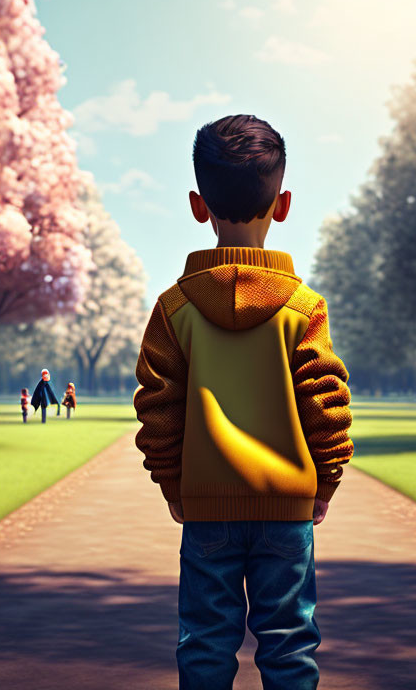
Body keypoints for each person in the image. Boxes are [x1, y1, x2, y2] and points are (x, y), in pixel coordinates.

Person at [133, 114, 353, 690]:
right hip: (287, 509)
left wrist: (174, 486)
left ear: (197, 204)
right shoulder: (304, 309)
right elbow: (326, 403)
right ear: (282, 204)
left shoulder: (174, 309)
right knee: (290, 647)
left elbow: (158, 407)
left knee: (205, 644)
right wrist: (323, 483)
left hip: (207, 509)